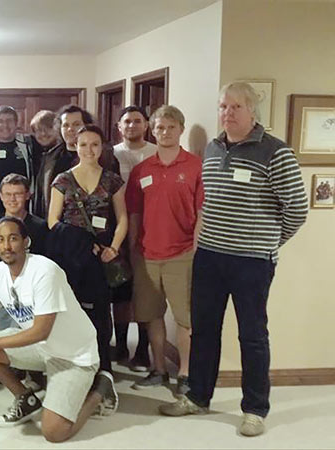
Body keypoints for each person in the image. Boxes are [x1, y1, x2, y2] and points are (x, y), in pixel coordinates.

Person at [159, 82, 308, 437]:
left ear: (252, 111)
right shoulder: (212, 148)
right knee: (204, 330)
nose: (227, 113)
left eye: (235, 107)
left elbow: (297, 210)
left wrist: (268, 242)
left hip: (252, 261)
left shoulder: (276, 152)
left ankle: (255, 409)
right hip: (210, 254)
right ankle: (197, 395)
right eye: (223, 106)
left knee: (252, 336)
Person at [0, 217, 118, 441]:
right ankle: (25, 398)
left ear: (26, 241)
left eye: (13, 238)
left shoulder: (45, 270)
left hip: (74, 355)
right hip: (40, 348)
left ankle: (100, 389)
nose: (6, 246)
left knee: (54, 433)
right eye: (0, 240)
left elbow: (41, 331)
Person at [125, 105, 203, 395]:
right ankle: (159, 369)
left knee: (185, 319)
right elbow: (134, 213)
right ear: (152, 131)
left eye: (171, 127)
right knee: (151, 316)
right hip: (146, 255)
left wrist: (196, 250)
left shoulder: (195, 166)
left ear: (181, 129)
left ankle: (184, 374)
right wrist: (133, 250)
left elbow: (202, 212)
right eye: (159, 127)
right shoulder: (141, 170)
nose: (165, 132)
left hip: (182, 254)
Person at [47, 125, 127, 377]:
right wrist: (80, 241)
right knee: (70, 311)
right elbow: (53, 221)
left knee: (100, 313)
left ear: (102, 146)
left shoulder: (112, 179)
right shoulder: (62, 180)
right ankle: (71, 366)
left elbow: (122, 218)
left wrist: (113, 248)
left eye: (94, 144)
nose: (89, 150)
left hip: (102, 256)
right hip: (71, 256)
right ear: (76, 146)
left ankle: (102, 369)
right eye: (83, 144)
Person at [111, 105, 158, 371]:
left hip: (149, 229)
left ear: (146, 125)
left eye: (137, 121)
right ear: (119, 126)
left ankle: (142, 348)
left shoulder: (155, 152)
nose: (131, 126)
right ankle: (120, 344)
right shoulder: (111, 154)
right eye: (126, 122)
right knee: (120, 290)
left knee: (144, 290)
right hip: (118, 226)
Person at [0, 174, 48, 303]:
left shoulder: (40, 227)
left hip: (30, 297)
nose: (12, 199)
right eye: (8, 194)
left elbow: (46, 266)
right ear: (1, 196)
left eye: (18, 194)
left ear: (27, 195)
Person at [0, 106, 36, 216]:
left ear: (16, 124)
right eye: (0, 121)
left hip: (24, 208)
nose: (5, 125)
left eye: (9, 121)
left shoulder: (29, 143)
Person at [30, 110, 62, 218]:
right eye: (39, 130)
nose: (43, 134)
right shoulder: (35, 152)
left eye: (48, 128)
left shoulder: (62, 155)